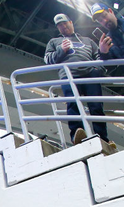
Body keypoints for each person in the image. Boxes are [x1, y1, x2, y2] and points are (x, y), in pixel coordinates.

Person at [44, 13, 112, 147]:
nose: (63, 27)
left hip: (89, 74)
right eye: (60, 26)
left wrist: (99, 66)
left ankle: (103, 138)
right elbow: (47, 60)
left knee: (96, 106)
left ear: (71, 23)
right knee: (73, 104)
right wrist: (61, 50)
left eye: (65, 23)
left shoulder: (87, 40)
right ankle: (76, 133)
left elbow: (99, 57)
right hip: (69, 75)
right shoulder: (54, 42)